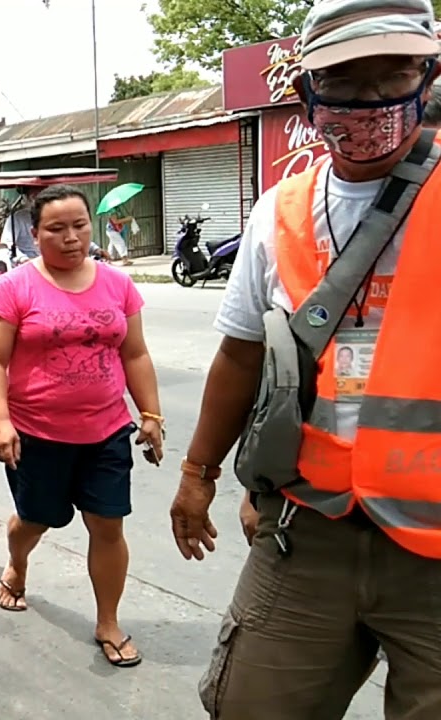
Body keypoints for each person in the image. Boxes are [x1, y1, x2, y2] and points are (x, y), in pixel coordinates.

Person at [172, 2, 441, 717]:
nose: (373, 102)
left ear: (430, 76)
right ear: (307, 96)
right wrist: (198, 474)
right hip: (309, 529)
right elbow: (240, 355)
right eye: (347, 83)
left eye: (395, 76)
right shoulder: (279, 211)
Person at [0, 184, 162, 668]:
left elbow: (135, 353)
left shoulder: (117, 284)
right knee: (35, 520)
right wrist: (1, 423)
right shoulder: (14, 287)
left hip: (106, 431)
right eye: (56, 229)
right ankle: (17, 564)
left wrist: (151, 415)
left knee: (107, 523)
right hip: (37, 433)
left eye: (79, 225)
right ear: (35, 234)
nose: (70, 237)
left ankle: (108, 621)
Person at [1, 188, 41, 262]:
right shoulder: (17, 218)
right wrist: (23, 259)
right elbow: (7, 244)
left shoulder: (55, 216)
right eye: (33, 196)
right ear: (27, 197)